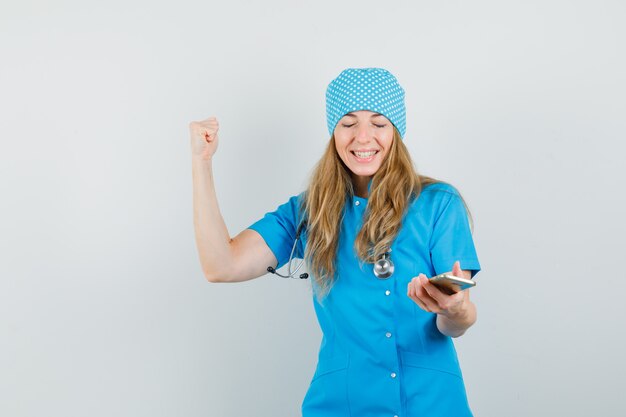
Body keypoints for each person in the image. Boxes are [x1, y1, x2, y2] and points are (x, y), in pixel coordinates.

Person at [189, 67, 481, 417]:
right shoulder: (307, 211)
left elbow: (456, 319)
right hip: (341, 406)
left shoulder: (438, 204)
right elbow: (221, 266)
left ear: (396, 132)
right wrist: (201, 162)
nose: (363, 137)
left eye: (378, 123)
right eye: (348, 123)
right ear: (333, 132)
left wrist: (456, 310)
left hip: (431, 405)